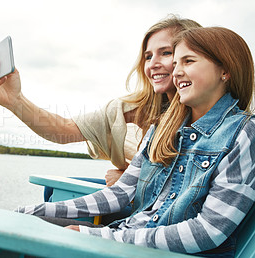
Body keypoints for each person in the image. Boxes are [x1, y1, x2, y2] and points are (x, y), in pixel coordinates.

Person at [16, 26, 255, 256]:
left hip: (159, 251)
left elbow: (208, 231)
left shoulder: (243, 132)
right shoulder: (162, 128)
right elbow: (119, 194)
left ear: (225, 71)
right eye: (176, 64)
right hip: (128, 239)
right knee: (20, 224)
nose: (176, 72)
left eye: (188, 61)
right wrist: (36, 211)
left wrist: (101, 238)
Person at [0, 15, 202, 198]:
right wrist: (15, 101)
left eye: (166, 52)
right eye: (147, 56)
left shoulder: (209, 114)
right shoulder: (130, 108)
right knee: (52, 190)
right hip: (139, 194)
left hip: (156, 210)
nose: (153, 63)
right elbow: (64, 129)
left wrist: (129, 181)